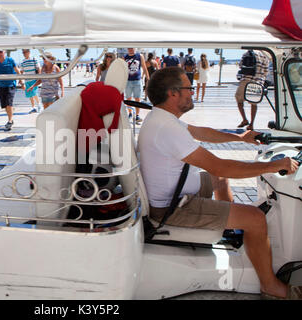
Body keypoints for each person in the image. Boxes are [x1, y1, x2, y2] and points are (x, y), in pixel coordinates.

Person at [139, 66, 301, 300]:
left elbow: (201, 132)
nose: (192, 93)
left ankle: (231, 230)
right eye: (189, 88)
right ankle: (270, 285)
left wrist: (240, 138)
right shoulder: (167, 128)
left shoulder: (162, 118)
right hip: (175, 208)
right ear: (173, 93)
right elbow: (221, 165)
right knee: (255, 219)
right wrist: (274, 166)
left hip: (177, 191)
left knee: (219, 179)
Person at [235, 50, 270, 130]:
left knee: (239, 99)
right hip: (258, 81)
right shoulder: (264, 56)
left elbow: (241, 66)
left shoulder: (247, 53)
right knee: (254, 103)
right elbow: (266, 71)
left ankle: (244, 119)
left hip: (246, 80)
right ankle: (251, 124)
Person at [0, 49, 24, 130]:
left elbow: (17, 70)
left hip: (11, 85)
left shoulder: (10, 60)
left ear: (4, 52)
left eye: (1, 51)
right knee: (5, 106)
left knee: (9, 104)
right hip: (1, 86)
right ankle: (11, 114)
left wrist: (21, 81)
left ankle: (10, 121)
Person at [124, 48, 149, 124]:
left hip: (137, 81)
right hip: (128, 81)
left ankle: (137, 115)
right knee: (128, 99)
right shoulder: (125, 57)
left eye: (132, 47)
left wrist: (148, 78)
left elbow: (144, 68)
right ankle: (130, 113)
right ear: (127, 49)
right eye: (129, 48)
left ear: (135, 48)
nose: (131, 49)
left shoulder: (140, 56)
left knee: (137, 99)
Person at [20, 49, 41, 113]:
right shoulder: (23, 61)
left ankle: (39, 105)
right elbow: (21, 71)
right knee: (30, 95)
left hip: (34, 79)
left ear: (29, 52)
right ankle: (33, 107)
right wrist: (21, 81)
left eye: (25, 52)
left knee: (34, 93)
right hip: (27, 80)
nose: (24, 53)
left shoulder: (34, 59)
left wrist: (39, 77)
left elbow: (39, 68)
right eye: (23, 52)